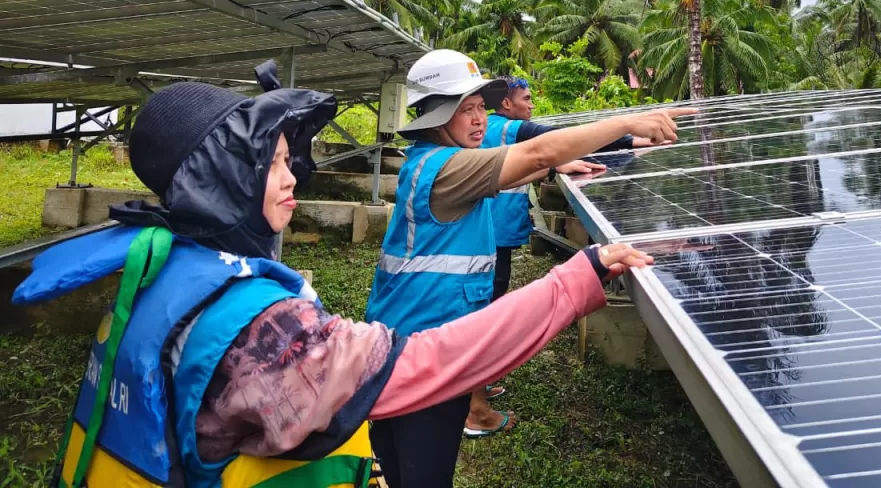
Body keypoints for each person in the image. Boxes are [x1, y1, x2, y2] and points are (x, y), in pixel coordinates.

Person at [13, 78, 663, 488]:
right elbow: (425, 365)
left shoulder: (156, 268)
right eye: (270, 166)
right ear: (221, 183)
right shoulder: (260, 329)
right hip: (416, 339)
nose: (294, 178)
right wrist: (582, 275)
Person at [364, 49, 695, 487]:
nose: (479, 118)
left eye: (481, 107)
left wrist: (555, 166)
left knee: (401, 461)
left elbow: (517, 171)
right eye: (466, 109)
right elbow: (536, 152)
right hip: (422, 352)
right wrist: (625, 123)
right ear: (435, 115)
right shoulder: (445, 168)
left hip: (409, 339)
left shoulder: (432, 159)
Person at [484, 75, 658, 302]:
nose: (532, 105)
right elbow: (563, 137)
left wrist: (554, 167)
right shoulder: (511, 127)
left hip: (491, 224)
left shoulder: (491, 128)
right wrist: (628, 141)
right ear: (506, 104)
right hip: (495, 224)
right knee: (495, 285)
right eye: (526, 99)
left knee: (492, 283)